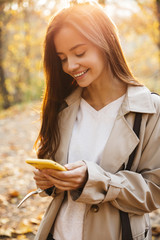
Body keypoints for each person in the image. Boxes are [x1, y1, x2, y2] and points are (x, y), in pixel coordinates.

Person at [33, 2, 160, 240]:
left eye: (79, 53)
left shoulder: (150, 110)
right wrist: (50, 180)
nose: (70, 66)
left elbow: (154, 192)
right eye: (62, 58)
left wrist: (94, 180)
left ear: (106, 43)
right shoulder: (62, 107)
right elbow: (53, 177)